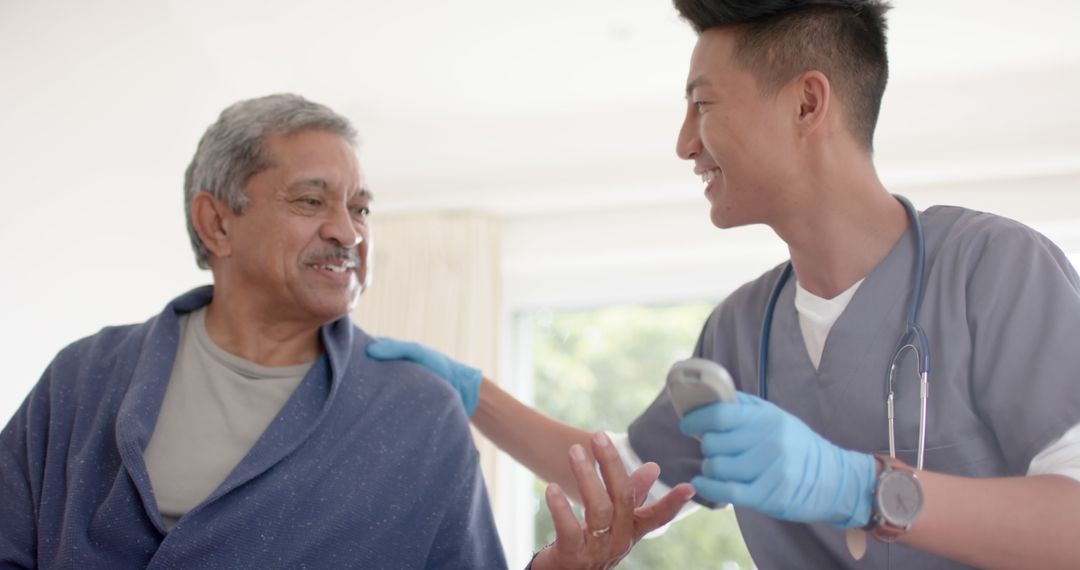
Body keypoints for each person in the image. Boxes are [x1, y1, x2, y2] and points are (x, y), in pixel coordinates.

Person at [368, 1, 1080, 568]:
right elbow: (622, 475)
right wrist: (468, 393)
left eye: (703, 105)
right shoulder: (743, 330)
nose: (683, 142)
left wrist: (858, 488)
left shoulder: (996, 271)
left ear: (808, 105)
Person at [0, 94, 690, 569]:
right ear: (216, 223)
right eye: (311, 201)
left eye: (361, 207)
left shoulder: (418, 413)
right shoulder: (82, 379)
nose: (348, 230)